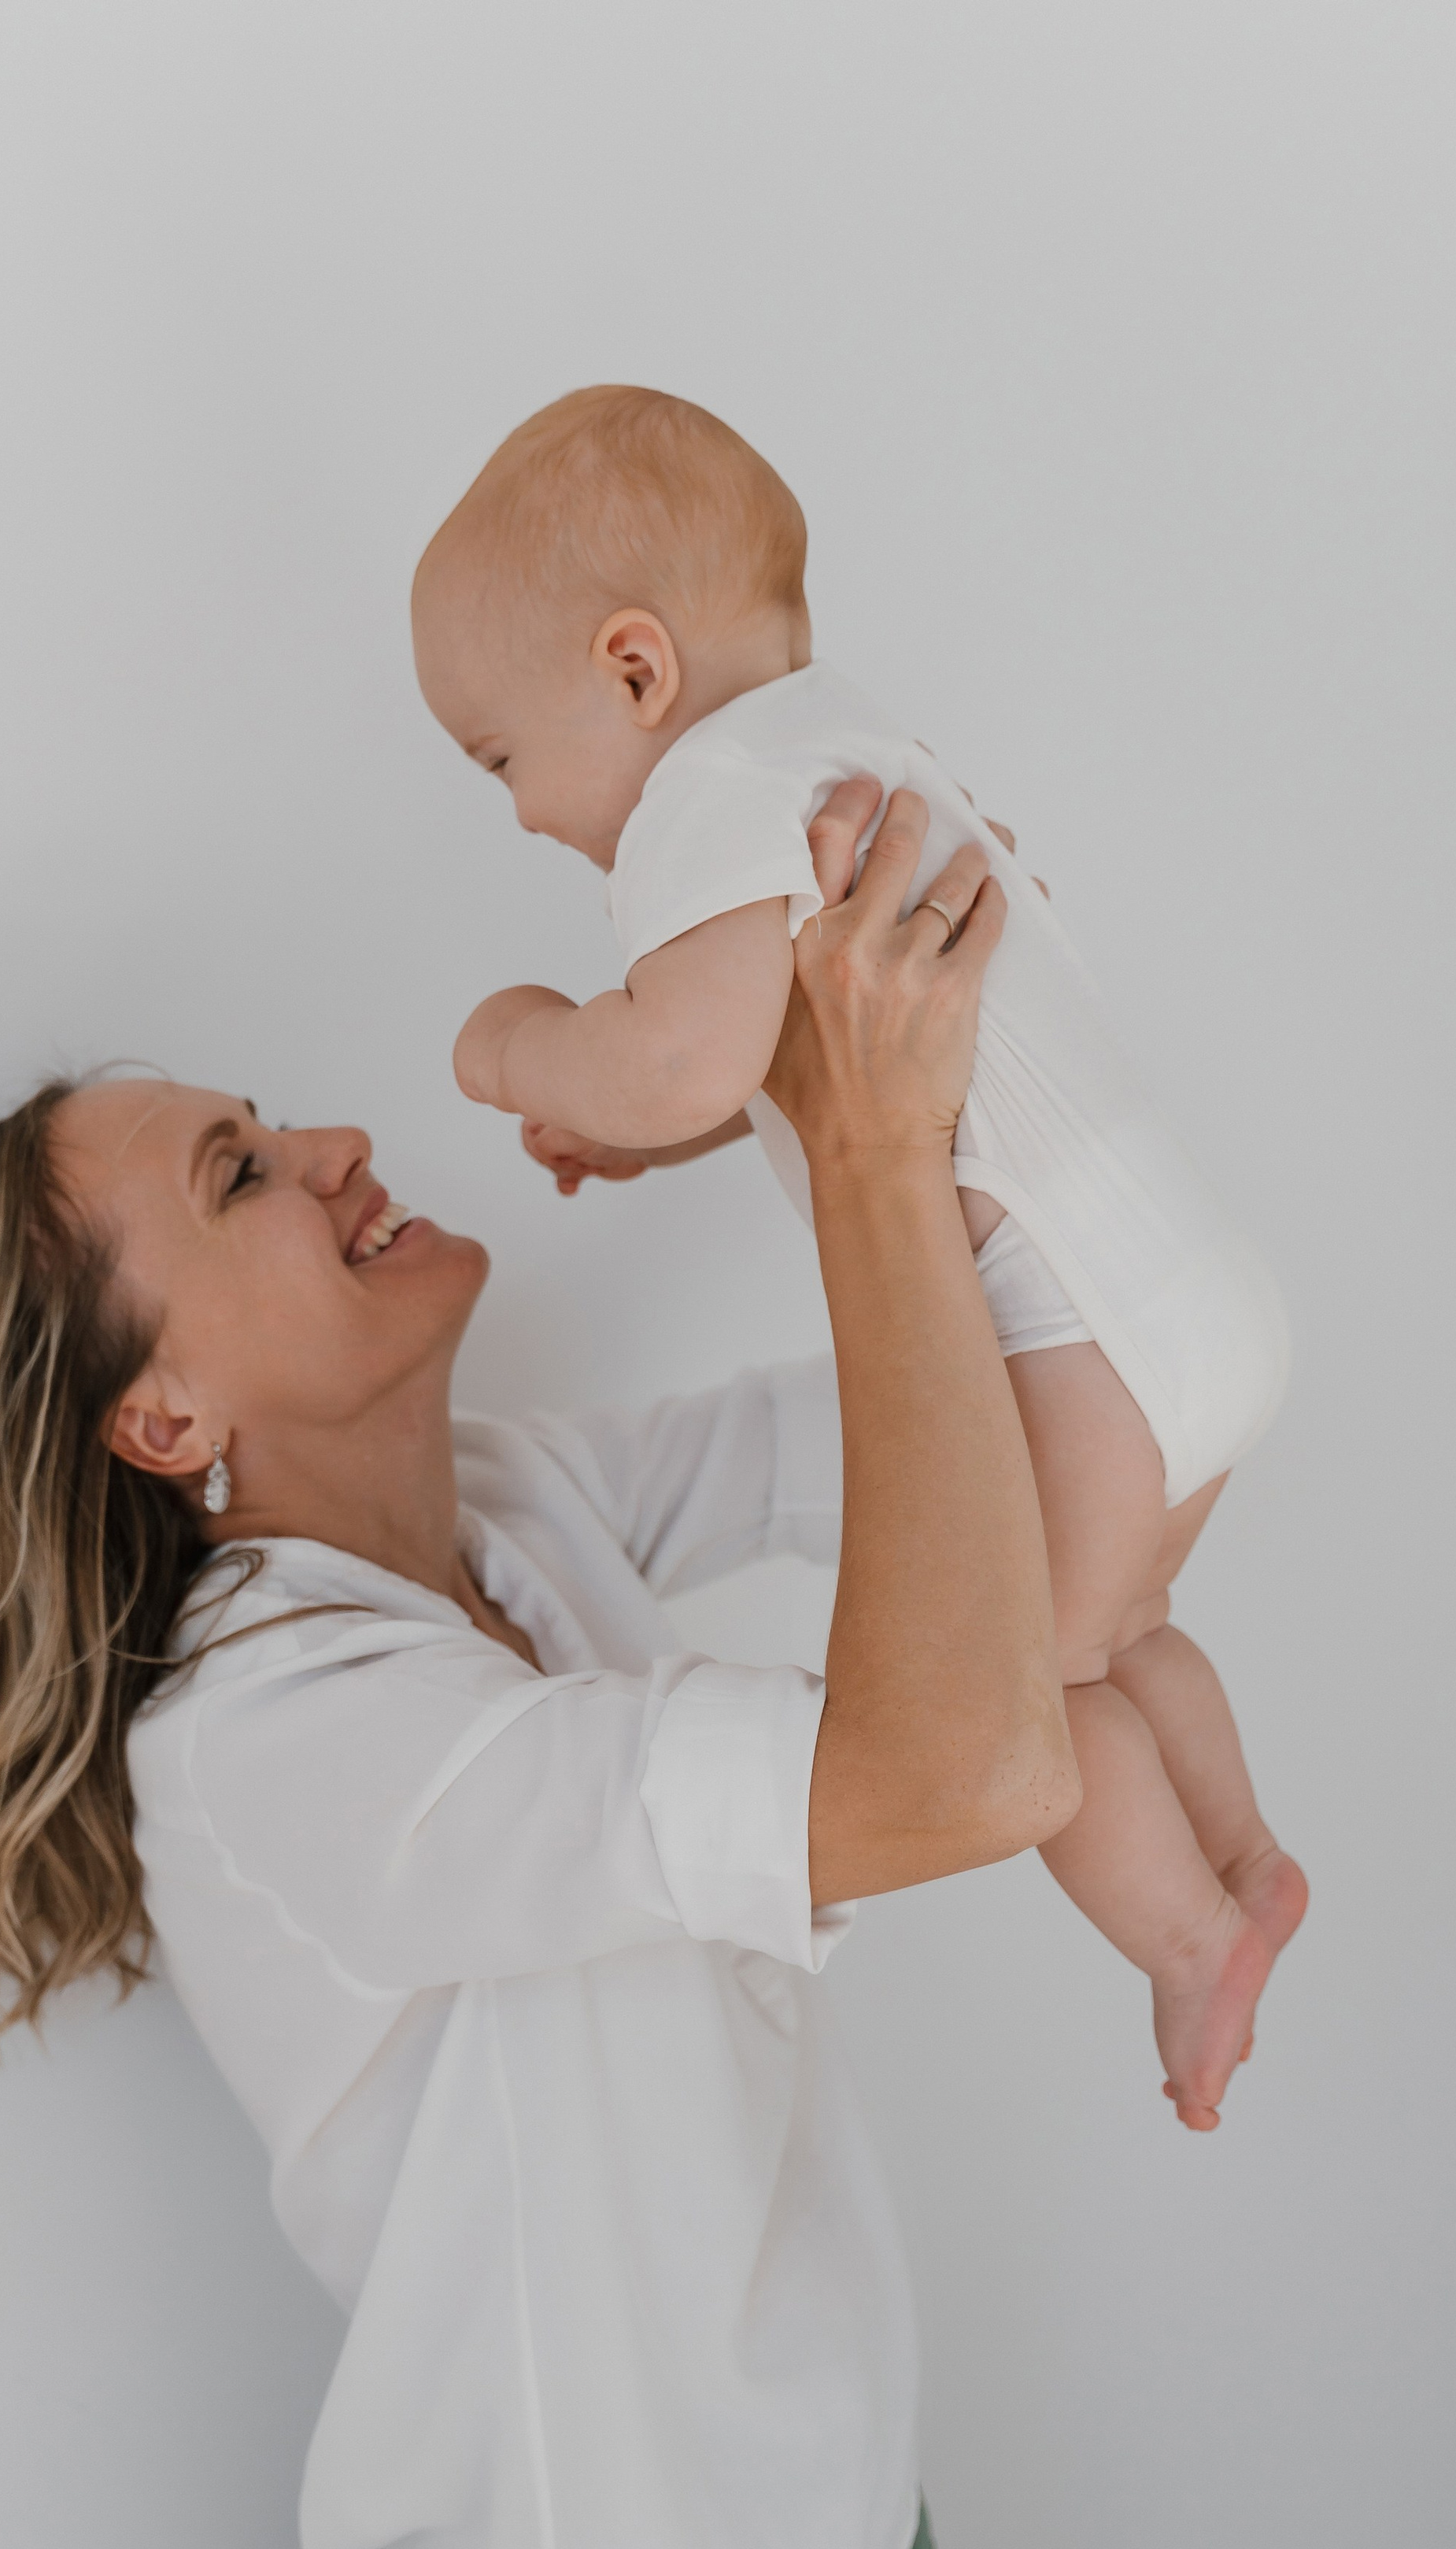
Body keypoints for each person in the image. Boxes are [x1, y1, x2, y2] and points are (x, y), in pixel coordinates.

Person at [0, 790, 1082, 2549]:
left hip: (824, 2520)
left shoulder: (512, 1500)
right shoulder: (275, 1742)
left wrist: (818, 1079)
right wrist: (872, 1164)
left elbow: (993, 1434)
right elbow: (951, 1764)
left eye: (262, 1123)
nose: (328, 1144)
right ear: (159, 1411)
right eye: (237, 1174)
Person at [412, 383, 1308, 2134]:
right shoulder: (849, 750)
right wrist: (636, 1129)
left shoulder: (700, 802)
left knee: (1032, 1690)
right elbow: (758, 1057)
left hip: (1081, 1347)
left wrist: (521, 1046)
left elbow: (676, 1051)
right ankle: (1250, 1860)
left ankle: (1196, 1938)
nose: (520, 817)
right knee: (1124, 1626)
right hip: (1189, 1298)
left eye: (499, 758)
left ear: (630, 673)